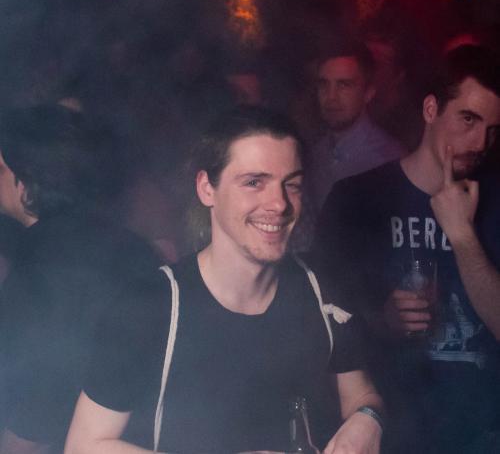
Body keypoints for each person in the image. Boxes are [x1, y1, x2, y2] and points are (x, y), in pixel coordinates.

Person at [65, 106, 383, 453]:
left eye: (291, 185)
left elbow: (361, 395)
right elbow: (84, 445)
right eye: (254, 183)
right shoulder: (151, 307)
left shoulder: (322, 289)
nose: (279, 204)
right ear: (207, 189)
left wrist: (368, 418)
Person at [313, 44, 500, 454]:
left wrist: (462, 236)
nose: (479, 141)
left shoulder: (495, 200)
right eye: (468, 119)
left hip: (483, 435)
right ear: (431, 109)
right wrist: (381, 320)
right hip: (394, 432)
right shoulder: (357, 199)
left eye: (492, 129)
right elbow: (321, 323)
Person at [0, 105, 160, 454]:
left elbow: (37, 414)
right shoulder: (131, 245)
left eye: (1, 168)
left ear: (26, 181)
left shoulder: (43, 264)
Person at [292, 41, 404, 252]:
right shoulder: (314, 154)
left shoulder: (390, 159)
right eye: (324, 85)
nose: (331, 97)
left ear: (368, 92)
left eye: (344, 85)